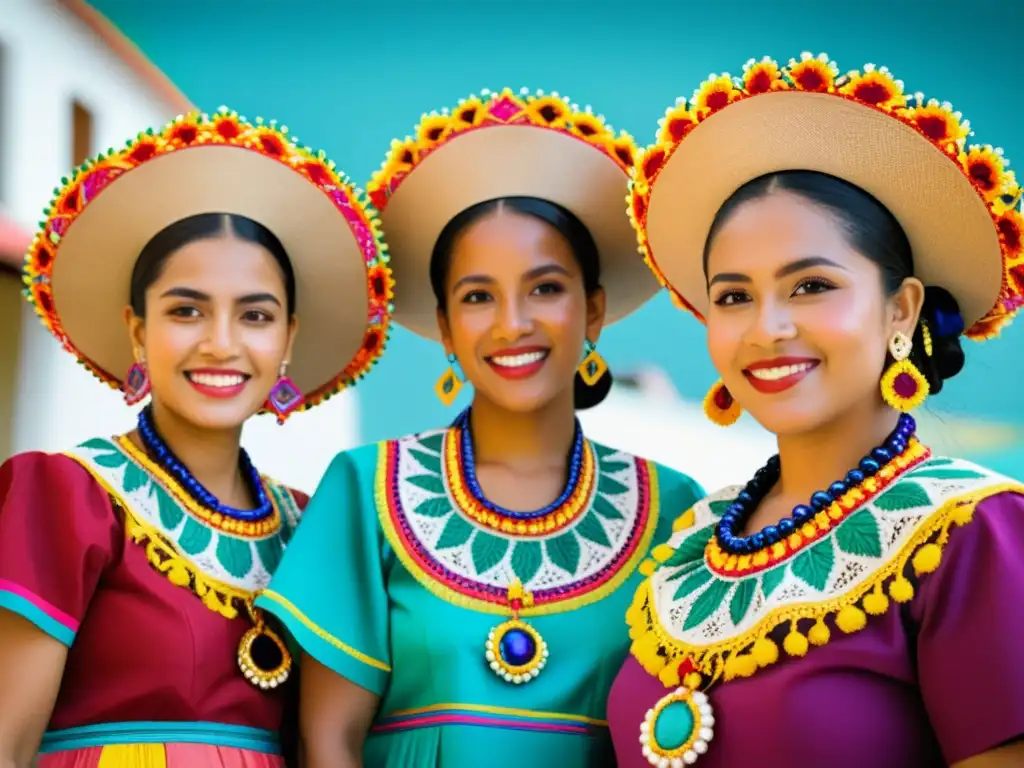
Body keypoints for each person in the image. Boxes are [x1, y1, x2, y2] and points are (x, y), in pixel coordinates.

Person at [255, 88, 706, 767]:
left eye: (545, 288)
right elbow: (328, 743)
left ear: (594, 311)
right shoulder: (366, 489)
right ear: (444, 328)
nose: (511, 323)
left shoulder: (674, 507)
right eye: (476, 297)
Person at [608, 53, 1024, 767]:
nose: (767, 327)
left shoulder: (973, 532)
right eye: (734, 297)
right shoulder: (689, 545)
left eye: (810, 286)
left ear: (902, 307)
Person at [0, 109, 393, 768]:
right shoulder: (66, 495)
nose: (220, 343)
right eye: (186, 310)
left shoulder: (311, 526)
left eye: (255, 315)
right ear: (136, 330)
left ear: (288, 339)